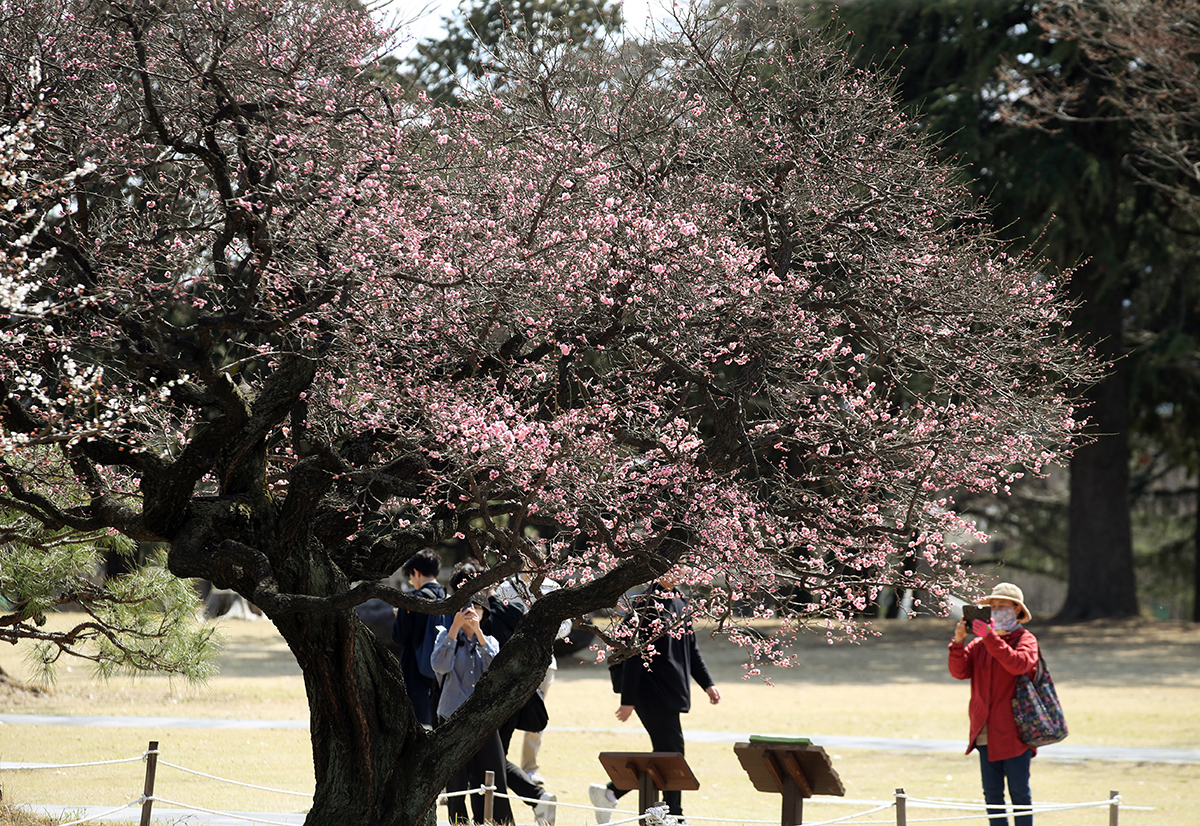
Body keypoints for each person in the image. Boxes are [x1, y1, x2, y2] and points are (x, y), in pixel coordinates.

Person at [589, 573, 721, 823]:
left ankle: (610, 793)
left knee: (666, 754)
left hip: (672, 690)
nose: (678, 571)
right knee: (672, 754)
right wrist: (628, 700)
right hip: (649, 691)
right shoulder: (645, 605)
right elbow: (632, 655)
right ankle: (674, 815)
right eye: (672, 567)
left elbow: (691, 649)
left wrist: (708, 684)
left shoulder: (681, 601)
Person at [949, 582, 1040, 826]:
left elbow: (1019, 664)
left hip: (1016, 730)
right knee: (992, 794)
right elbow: (959, 672)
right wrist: (958, 642)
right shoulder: (979, 644)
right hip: (984, 729)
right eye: (993, 606)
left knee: (1019, 792)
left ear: (1017, 609)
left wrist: (990, 638)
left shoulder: (1026, 639)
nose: (997, 610)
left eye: (1003, 606)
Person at [431, 562, 514, 826]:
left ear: (484, 613)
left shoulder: (490, 642)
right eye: (466, 609)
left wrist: (478, 632)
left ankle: (491, 822)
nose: (471, 613)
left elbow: (496, 670)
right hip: (452, 717)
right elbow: (439, 666)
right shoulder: (445, 637)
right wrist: (454, 629)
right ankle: (459, 823)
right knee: (456, 781)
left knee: (491, 776)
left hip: (484, 719)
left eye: (477, 608)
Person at [390, 548, 446, 728]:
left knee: (417, 722)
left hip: (415, 670)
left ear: (416, 572)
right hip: (443, 670)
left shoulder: (412, 600)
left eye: (411, 577)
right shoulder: (448, 598)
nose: (412, 581)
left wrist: (399, 618)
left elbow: (398, 637)